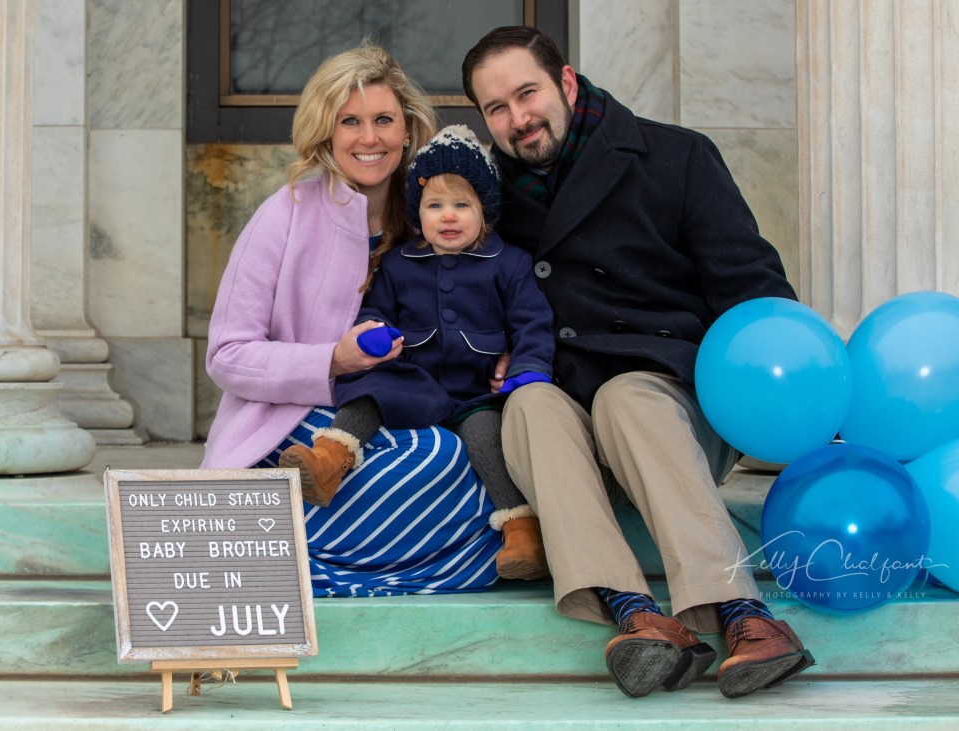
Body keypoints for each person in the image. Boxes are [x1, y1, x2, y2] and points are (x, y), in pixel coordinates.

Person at [461, 26, 815, 699]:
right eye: (496, 108)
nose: (518, 118)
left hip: (671, 408)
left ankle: (744, 613)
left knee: (626, 396)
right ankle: (639, 616)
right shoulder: (486, 198)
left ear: (567, 83)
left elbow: (755, 295)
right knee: (528, 401)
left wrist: (795, 404)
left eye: (527, 93)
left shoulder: (677, 156)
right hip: (567, 415)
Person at [203, 43, 503, 598]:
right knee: (434, 461)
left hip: (413, 407)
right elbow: (226, 356)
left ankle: (305, 558)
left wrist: (500, 350)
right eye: (350, 122)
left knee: (465, 458)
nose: (370, 138)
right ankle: (319, 556)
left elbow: (492, 296)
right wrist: (332, 360)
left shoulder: (438, 213)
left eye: (384, 119)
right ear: (326, 131)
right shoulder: (284, 214)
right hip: (292, 420)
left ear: (407, 129)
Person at [279, 124, 554, 580]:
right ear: (417, 211)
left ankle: (522, 531)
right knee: (370, 390)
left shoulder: (509, 263)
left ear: (484, 211)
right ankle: (327, 460)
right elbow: (377, 308)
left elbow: (532, 322)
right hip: (414, 382)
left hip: (475, 392)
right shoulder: (399, 263)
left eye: (462, 205)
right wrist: (375, 333)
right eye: (435, 205)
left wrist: (528, 368)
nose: (448, 217)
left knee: (486, 435)